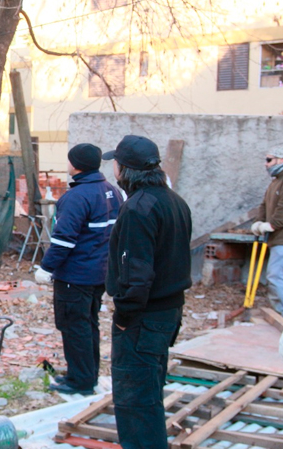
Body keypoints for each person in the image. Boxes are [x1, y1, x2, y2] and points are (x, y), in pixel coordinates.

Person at [103, 135, 192, 449]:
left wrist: (125, 316)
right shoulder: (174, 201)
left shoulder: (139, 209)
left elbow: (136, 275)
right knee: (148, 393)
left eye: (116, 162)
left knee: (136, 402)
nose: (113, 167)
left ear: (125, 169)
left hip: (144, 317)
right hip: (167, 313)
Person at [34, 143, 121, 395]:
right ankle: (86, 374)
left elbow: (63, 240)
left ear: (75, 165)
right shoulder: (111, 192)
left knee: (74, 326)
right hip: (99, 274)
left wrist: (46, 268)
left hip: (76, 275)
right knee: (87, 324)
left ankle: (80, 381)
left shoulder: (75, 197)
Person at [252, 147, 283, 313]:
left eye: (269, 160)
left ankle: (281, 312)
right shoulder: (275, 182)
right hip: (276, 238)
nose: (266, 164)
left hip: (281, 238)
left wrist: (272, 225)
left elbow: (282, 208)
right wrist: (258, 222)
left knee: (275, 276)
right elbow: (264, 205)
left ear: (281, 160)